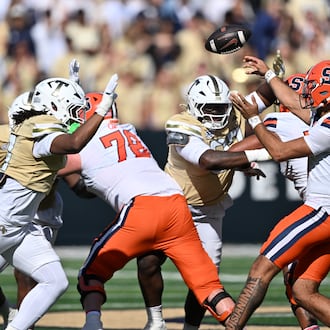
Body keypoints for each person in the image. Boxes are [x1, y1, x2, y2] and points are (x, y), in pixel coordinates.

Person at [57, 89, 271, 330]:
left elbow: (50, 166)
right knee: (209, 287)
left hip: (143, 210)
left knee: (91, 275)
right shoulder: (129, 131)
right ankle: (234, 322)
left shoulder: (80, 145)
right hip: (176, 206)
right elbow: (87, 183)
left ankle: (92, 323)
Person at [136, 74, 270, 330]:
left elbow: (266, 94)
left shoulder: (235, 115)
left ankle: (191, 328)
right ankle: (155, 322)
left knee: (206, 280)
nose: (218, 113)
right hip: (172, 205)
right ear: (195, 105)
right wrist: (261, 154)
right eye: (210, 108)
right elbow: (208, 160)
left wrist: (271, 74)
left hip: (209, 210)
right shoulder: (180, 124)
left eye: (222, 107)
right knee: (148, 262)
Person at [0, 70, 118, 330]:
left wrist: (72, 85)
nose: (79, 115)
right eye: (75, 108)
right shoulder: (38, 125)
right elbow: (74, 142)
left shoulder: (34, 126)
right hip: (5, 223)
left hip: (19, 226)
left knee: (55, 281)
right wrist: (102, 109)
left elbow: (68, 134)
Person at [226, 57, 330, 329]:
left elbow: (280, 151)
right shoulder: (325, 117)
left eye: (312, 87)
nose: (305, 94)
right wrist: (269, 74)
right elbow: (295, 103)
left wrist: (253, 117)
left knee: (262, 268)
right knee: (302, 290)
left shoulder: (327, 124)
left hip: (322, 211)